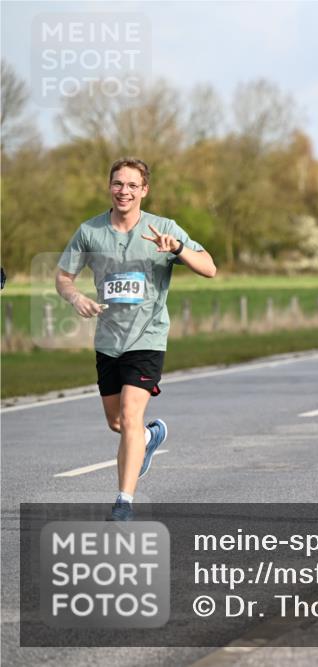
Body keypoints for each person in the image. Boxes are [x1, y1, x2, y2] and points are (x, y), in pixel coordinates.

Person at [56, 157, 217, 521]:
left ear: (144, 190)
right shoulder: (90, 232)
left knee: (129, 416)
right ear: (109, 186)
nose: (124, 191)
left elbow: (209, 267)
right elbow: (63, 276)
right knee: (117, 423)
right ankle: (147, 438)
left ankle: (123, 502)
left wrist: (177, 249)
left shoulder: (163, 228)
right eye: (118, 184)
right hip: (108, 339)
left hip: (148, 337)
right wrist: (76, 297)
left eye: (132, 185)